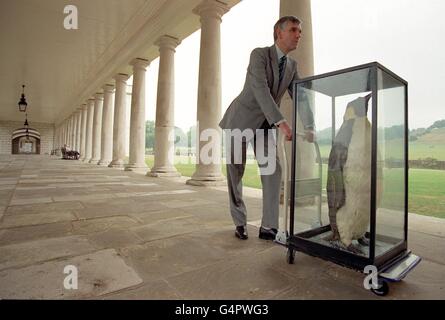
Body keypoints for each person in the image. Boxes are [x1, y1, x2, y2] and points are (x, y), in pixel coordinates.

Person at [219, 16, 315, 240]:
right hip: (240, 122)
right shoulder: (259, 55)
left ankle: (268, 227)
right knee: (236, 172)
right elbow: (261, 89)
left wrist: (309, 125)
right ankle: (240, 221)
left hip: (264, 126)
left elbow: (300, 97)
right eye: (293, 30)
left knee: (273, 170)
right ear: (278, 33)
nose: (299, 34)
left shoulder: (292, 66)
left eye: (300, 31)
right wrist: (281, 121)